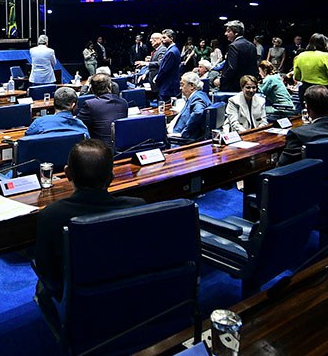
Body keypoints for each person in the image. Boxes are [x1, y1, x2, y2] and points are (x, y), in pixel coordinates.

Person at [34, 139, 145, 305]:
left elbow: (46, 270)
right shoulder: (138, 207)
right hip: (130, 297)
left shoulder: (50, 216)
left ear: (67, 173)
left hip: (79, 305)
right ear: (112, 177)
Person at [76, 73, 129, 145]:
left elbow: (77, 124)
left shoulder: (90, 104)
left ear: (92, 89)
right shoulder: (123, 102)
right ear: (110, 86)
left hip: (100, 149)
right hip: (122, 146)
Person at [292, 33, 328, 104]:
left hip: (306, 90)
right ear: (325, 44)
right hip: (323, 92)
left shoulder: (300, 56)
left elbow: (297, 77)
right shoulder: (326, 57)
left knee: (306, 113)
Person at [214, 20, 257, 92]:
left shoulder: (233, 46)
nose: (225, 34)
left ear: (236, 32)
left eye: (228, 31)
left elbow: (232, 68)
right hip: (247, 86)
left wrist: (221, 80)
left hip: (233, 87)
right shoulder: (252, 46)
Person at [169, 72, 212, 142]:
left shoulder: (197, 98)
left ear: (192, 86)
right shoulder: (198, 95)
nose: (180, 88)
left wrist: (184, 133)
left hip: (179, 140)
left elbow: (198, 112)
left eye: (182, 85)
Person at [153, 29, 181, 99]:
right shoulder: (174, 49)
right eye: (162, 38)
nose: (162, 40)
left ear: (171, 38)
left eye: (164, 38)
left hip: (168, 86)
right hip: (171, 85)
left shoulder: (171, 52)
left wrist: (157, 79)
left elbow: (164, 70)